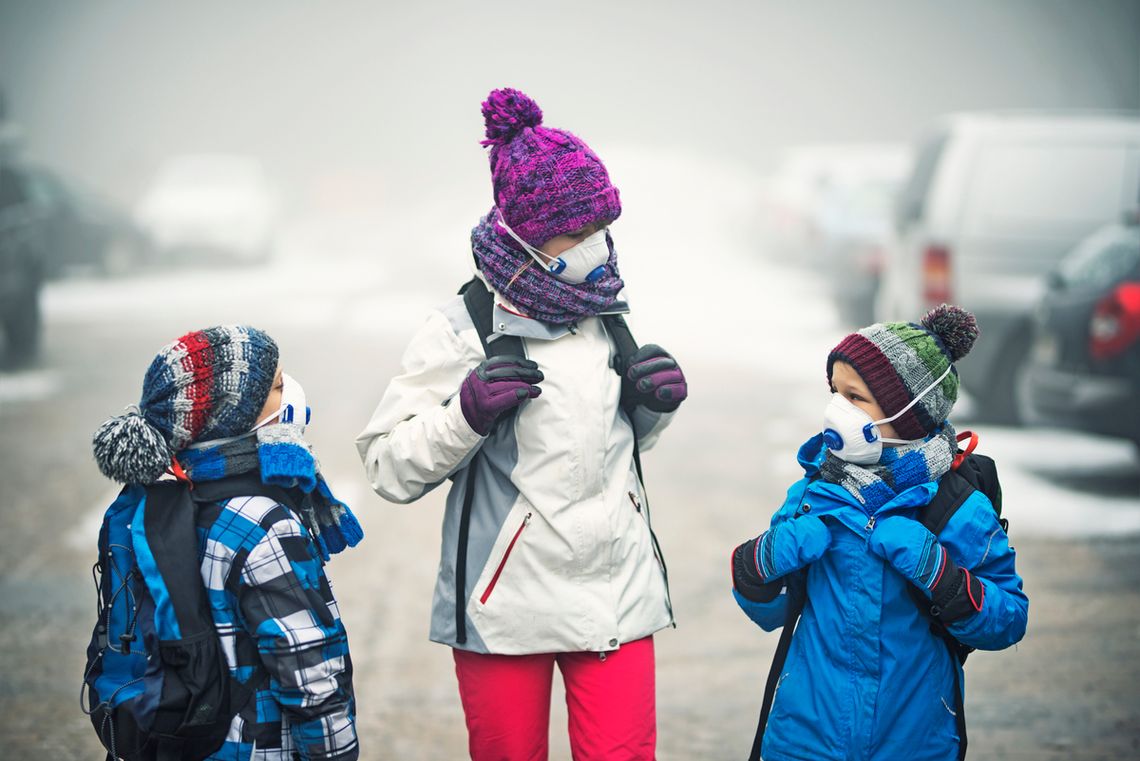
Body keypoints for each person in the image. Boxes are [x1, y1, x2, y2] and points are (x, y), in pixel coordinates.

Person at [356, 87, 687, 760]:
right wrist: (466, 415)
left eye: (602, 228)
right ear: (529, 236)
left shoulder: (606, 310)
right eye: (579, 233)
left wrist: (652, 406)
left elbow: (613, 444)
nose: (597, 247)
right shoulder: (462, 328)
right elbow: (387, 464)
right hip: (503, 608)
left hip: (616, 598)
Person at [730, 305, 1028, 761]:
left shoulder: (956, 507)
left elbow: (1009, 617)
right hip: (805, 739)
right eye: (835, 392)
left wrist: (942, 576)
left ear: (908, 414)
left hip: (913, 741)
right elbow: (769, 609)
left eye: (856, 397)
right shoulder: (815, 491)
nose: (837, 409)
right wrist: (762, 563)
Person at [92, 325, 361, 761]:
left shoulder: (161, 498)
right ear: (235, 417)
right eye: (276, 386)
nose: (291, 392)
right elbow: (308, 673)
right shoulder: (263, 522)